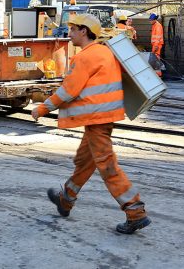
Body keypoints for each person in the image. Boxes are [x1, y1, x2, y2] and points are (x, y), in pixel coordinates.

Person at [32, 13, 151, 235]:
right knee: (85, 161)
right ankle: (65, 199)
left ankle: (135, 211)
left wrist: (42, 108)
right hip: (102, 117)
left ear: (84, 31)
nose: (69, 34)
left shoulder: (85, 57)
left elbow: (68, 90)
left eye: (73, 30)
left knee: (107, 165)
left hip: (97, 118)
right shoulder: (104, 52)